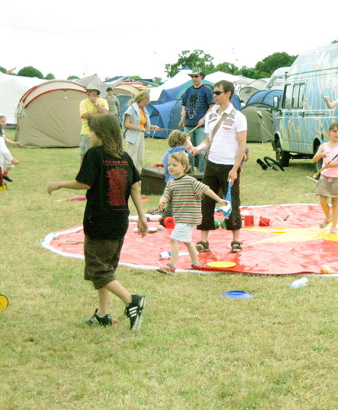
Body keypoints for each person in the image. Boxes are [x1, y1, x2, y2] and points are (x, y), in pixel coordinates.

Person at [46, 113, 148, 332]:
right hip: (120, 220)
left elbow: (83, 183)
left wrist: (59, 184)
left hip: (99, 220)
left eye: (91, 131)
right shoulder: (125, 157)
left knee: (98, 270)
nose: (89, 135)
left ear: (100, 133)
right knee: (106, 267)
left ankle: (132, 301)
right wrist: (141, 216)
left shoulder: (95, 155)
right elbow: (135, 188)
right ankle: (102, 314)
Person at [190, 80, 247, 254]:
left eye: (217, 92)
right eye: (213, 92)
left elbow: (241, 145)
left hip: (229, 165)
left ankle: (236, 241)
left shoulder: (238, 117)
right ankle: (203, 240)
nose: (213, 95)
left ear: (228, 94)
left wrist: (235, 168)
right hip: (211, 164)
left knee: (232, 201)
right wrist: (196, 149)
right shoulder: (211, 115)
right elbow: (208, 141)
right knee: (205, 200)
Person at [157, 152, 228, 274]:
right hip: (180, 217)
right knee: (187, 241)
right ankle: (196, 264)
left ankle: (171, 266)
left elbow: (206, 189)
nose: (170, 167)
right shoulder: (171, 183)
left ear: (184, 166)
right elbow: (166, 195)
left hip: (188, 217)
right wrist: (162, 200)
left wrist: (219, 199)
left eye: (174, 165)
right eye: (169, 165)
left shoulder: (190, 181)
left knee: (174, 239)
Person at [313, 122, 338, 234]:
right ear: (329, 132)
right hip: (325, 178)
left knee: (335, 202)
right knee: (323, 201)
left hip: (337, 178)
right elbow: (315, 159)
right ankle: (328, 217)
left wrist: (330, 165)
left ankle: (333, 226)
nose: (337, 134)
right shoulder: (323, 146)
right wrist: (321, 155)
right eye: (334, 131)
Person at [181, 69, 214, 173]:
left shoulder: (207, 90)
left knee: (201, 152)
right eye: (192, 76)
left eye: (196, 76)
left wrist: (204, 118)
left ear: (201, 77)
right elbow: (183, 104)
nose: (194, 78)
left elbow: (212, 107)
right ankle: (189, 173)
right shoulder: (189, 90)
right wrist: (183, 111)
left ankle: (202, 173)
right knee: (189, 150)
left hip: (201, 126)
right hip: (188, 124)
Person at [123, 92, 159, 172]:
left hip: (141, 135)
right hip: (132, 136)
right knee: (132, 158)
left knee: (140, 158)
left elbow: (142, 124)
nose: (146, 103)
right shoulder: (132, 109)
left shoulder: (143, 110)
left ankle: (138, 176)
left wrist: (152, 127)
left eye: (147, 101)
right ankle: (130, 176)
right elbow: (127, 124)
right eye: (145, 101)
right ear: (140, 100)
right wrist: (138, 128)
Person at [79, 84, 109, 163]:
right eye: (87, 91)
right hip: (87, 131)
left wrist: (95, 103)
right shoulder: (83, 102)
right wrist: (99, 114)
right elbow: (84, 115)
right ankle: (83, 173)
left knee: (101, 154)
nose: (88, 93)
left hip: (101, 131)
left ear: (96, 92)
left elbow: (106, 112)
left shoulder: (102, 101)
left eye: (90, 91)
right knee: (85, 155)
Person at [0, 114, 20, 184]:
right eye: (1, 121)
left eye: (4, 121)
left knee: (10, 163)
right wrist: (12, 159)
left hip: (2, 153)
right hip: (2, 153)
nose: (3, 123)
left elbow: (4, 139)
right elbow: (4, 150)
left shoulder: (2, 131)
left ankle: (4, 175)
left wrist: (14, 143)